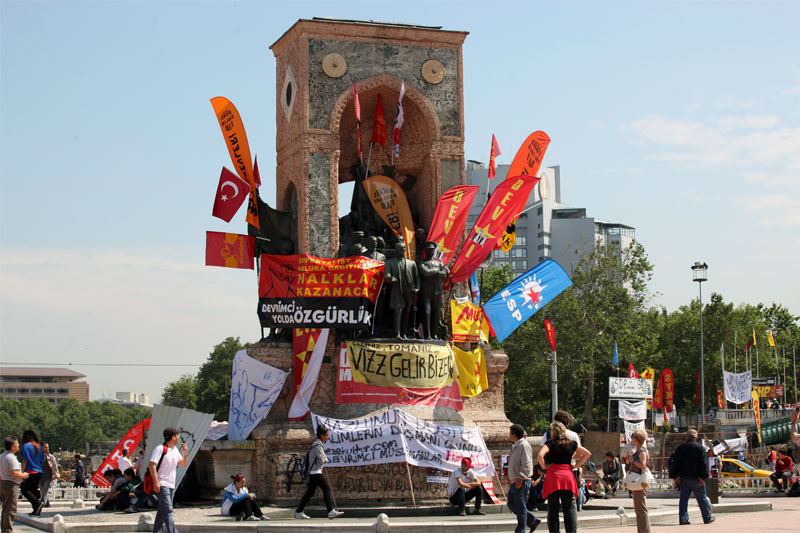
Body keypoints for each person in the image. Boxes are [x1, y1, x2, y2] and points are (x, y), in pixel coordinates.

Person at [537, 421, 591, 533]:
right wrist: (576, 465)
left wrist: (545, 467)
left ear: (554, 431)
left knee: (553, 509)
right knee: (569, 508)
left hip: (553, 476)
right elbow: (587, 454)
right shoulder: (571, 444)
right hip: (567, 475)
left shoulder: (550, 444)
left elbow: (539, 455)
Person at [295, 426, 343, 520]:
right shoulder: (318, 445)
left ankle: (299, 511)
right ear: (322, 435)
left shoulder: (316, 444)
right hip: (316, 472)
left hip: (314, 471)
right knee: (327, 489)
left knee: (310, 492)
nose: (328, 437)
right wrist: (326, 459)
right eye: (327, 435)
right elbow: (321, 459)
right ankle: (330, 511)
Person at [669, 429, 714, 525]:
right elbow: (703, 464)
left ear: (686, 437)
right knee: (702, 499)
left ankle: (683, 519)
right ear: (696, 438)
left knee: (683, 500)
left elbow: (675, 463)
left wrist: (675, 476)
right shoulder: (700, 448)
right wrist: (703, 477)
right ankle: (707, 518)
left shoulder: (680, 448)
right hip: (697, 479)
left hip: (683, 479)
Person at [149, 426, 189, 533]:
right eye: (177, 435)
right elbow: (152, 465)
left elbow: (183, 464)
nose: (179, 437)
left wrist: (185, 453)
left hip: (171, 484)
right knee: (168, 511)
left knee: (162, 511)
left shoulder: (175, 450)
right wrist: (156, 482)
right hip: (162, 484)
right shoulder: (160, 449)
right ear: (173, 437)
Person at [507, 424, 541, 533]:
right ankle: (532, 520)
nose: (509, 434)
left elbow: (527, 463)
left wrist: (521, 477)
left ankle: (521, 530)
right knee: (512, 504)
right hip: (515, 479)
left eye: (510, 432)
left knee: (520, 505)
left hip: (521, 480)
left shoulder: (523, 445)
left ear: (514, 434)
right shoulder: (516, 445)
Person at [383, 239, 420, 339]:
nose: (403, 250)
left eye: (404, 248)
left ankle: (404, 333)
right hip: (397, 289)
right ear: (396, 250)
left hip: (409, 290)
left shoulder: (411, 263)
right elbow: (386, 274)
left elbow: (417, 277)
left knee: (407, 312)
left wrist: (417, 288)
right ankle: (397, 334)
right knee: (398, 311)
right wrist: (390, 278)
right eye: (401, 248)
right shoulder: (390, 262)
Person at [417, 241, 449, 339]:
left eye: (432, 250)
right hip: (425, 292)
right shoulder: (421, 262)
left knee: (436, 315)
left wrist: (436, 272)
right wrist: (437, 272)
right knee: (427, 313)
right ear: (425, 251)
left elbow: (445, 273)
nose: (430, 252)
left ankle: (434, 334)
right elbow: (425, 272)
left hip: (437, 292)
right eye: (428, 250)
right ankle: (427, 335)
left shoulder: (439, 263)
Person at [1, 436, 30, 533]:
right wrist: (23, 475)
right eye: (17, 444)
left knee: (5, 508)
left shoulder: (2, 456)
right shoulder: (11, 458)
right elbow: (14, 474)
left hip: (3, 483)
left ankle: (4, 528)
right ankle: (7, 530)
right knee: (11, 508)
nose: (19, 446)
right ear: (13, 446)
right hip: (11, 485)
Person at [625, 429, 651, 533]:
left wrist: (633, 461)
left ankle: (644, 530)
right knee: (639, 509)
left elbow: (643, 466)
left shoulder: (642, 451)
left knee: (641, 509)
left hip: (639, 480)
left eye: (633, 437)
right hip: (637, 480)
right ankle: (642, 530)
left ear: (636, 439)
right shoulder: (639, 450)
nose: (632, 439)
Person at [20, 430, 44, 517]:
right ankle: (36, 511)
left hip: (30, 471)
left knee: (24, 489)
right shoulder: (39, 446)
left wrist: (22, 473)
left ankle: (37, 504)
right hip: (39, 471)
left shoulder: (26, 446)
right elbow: (42, 460)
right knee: (33, 490)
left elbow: (24, 461)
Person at [39, 443, 59, 508]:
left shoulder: (51, 457)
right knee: (42, 490)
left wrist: (57, 474)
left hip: (48, 476)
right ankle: (47, 503)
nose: (47, 449)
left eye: (47, 447)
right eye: (45, 447)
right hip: (40, 476)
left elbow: (55, 466)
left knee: (45, 489)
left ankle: (42, 503)